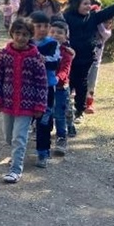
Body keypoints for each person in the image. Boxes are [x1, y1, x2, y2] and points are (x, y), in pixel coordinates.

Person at [62, 0, 114, 125]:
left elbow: (110, 11)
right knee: (67, 84)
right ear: (76, 5)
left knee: (82, 84)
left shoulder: (93, 17)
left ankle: (79, 111)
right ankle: (65, 109)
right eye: (85, 4)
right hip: (68, 57)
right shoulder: (66, 17)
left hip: (86, 57)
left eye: (89, 4)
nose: (88, 6)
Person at [0, 18, 47, 183]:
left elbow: (41, 83)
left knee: (19, 138)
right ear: (12, 34)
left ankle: (15, 170)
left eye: (25, 34)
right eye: (17, 33)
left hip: (27, 105)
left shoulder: (35, 58)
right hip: (8, 104)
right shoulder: (4, 56)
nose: (20, 38)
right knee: (8, 136)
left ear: (30, 36)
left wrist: (40, 105)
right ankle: (17, 152)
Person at [29, 11, 60, 168]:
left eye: (46, 26)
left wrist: (42, 59)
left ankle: (43, 152)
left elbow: (55, 63)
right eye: (38, 26)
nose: (42, 29)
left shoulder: (52, 44)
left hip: (47, 88)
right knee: (25, 120)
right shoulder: (25, 42)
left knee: (44, 120)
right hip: (27, 88)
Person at [50, 19, 75, 153]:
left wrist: (57, 78)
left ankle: (61, 137)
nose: (55, 34)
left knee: (60, 114)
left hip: (60, 88)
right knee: (45, 112)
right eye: (52, 31)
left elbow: (65, 69)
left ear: (66, 35)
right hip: (45, 87)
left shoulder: (67, 52)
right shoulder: (42, 49)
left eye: (60, 32)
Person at [85, 0, 113, 114]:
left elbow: (103, 31)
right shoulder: (89, 28)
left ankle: (89, 104)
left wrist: (97, 17)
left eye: (109, 23)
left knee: (91, 84)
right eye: (106, 22)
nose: (107, 25)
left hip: (95, 62)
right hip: (83, 60)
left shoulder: (106, 32)